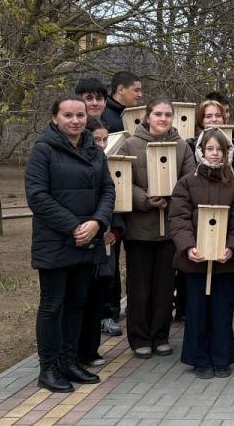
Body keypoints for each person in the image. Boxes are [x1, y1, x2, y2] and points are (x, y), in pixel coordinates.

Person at [26, 97, 115, 393]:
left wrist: (97, 223)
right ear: (55, 118)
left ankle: (69, 361)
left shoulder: (94, 149)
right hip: (56, 241)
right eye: (68, 115)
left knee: (78, 303)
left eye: (79, 115)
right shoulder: (43, 150)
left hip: (87, 240)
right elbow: (37, 196)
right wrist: (74, 226)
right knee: (53, 306)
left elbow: (107, 189)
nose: (75, 121)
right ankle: (49, 368)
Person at [116, 97, 196, 359]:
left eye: (168, 115)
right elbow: (122, 181)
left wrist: (171, 196)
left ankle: (160, 335)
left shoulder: (181, 146)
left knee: (164, 287)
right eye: (158, 114)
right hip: (140, 229)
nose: (163, 119)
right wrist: (144, 199)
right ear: (147, 117)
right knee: (139, 288)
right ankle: (139, 337)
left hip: (169, 230)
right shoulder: (130, 144)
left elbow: (189, 181)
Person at [169, 128, 234, 379]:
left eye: (220, 150)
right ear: (201, 151)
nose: (215, 154)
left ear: (228, 153)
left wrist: (233, 248)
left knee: (221, 309)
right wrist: (188, 246)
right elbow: (179, 218)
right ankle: (199, 358)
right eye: (210, 149)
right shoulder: (186, 182)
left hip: (225, 261)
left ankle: (222, 357)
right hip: (195, 260)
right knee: (196, 309)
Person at [98, 71, 143, 338]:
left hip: (131, 197)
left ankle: (120, 307)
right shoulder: (107, 118)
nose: (139, 95)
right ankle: (108, 311)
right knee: (109, 260)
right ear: (119, 89)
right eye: (135, 90)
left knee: (128, 257)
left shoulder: (133, 115)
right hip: (111, 199)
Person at [77, 119, 122, 368]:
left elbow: (116, 199)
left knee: (97, 297)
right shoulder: (80, 162)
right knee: (79, 299)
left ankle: (91, 349)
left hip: (105, 239)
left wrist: (114, 229)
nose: (102, 144)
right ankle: (75, 350)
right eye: (97, 139)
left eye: (105, 139)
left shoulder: (107, 162)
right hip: (83, 237)